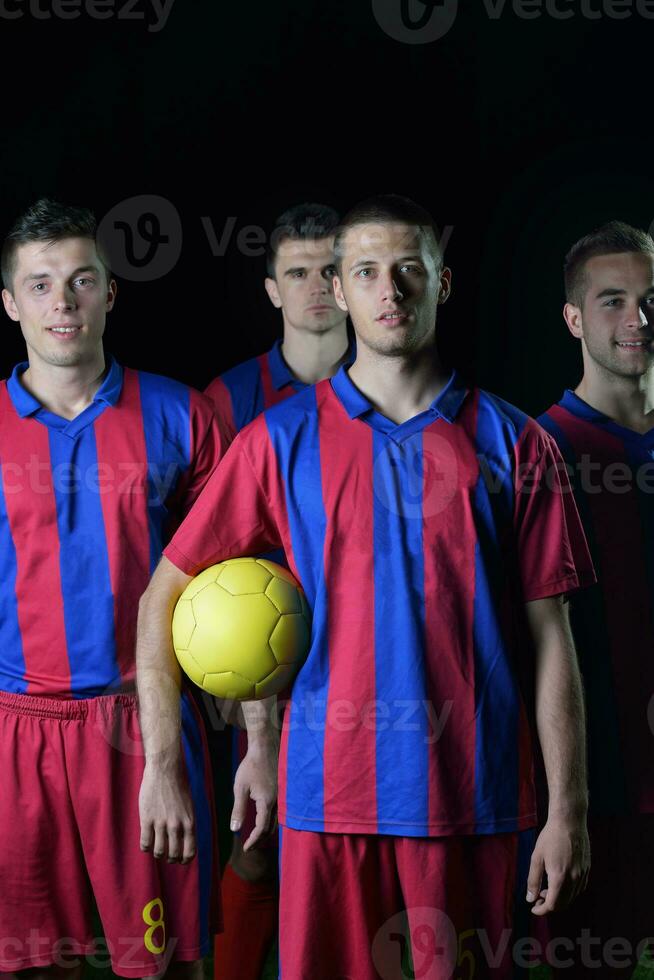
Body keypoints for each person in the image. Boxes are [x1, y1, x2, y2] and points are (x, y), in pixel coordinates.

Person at [137, 194, 596, 980]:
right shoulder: (276, 442)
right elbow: (161, 599)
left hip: (471, 803)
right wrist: (166, 763)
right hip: (325, 802)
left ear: (443, 283)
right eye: (366, 272)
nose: (391, 291)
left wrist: (569, 812)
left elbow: (554, 639)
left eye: (409, 270)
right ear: (339, 291)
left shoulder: (514, 441)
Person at [0, 198, 229, 980]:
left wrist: (253, 741)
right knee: (31, 964)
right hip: (14, 728)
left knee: (166, 964)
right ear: (10, 303)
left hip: (142, 726)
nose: (62, 302)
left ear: (111, 292)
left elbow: (239, 586)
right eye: (39, 285)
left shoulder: (181, 415)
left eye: (81, 281)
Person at [204, 202, 351, 980]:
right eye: (299, 273)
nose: (318, 287)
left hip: (364, 663)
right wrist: (217, 677)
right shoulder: (228, 401)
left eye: (333, 269)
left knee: (353, 852)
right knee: (257, 846)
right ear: (272, 290)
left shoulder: (397, 385)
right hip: (262, 668)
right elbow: (194, 555)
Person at [537, 221, 654, 977]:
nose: (638, 320)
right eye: (614, 301)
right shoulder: (537, 449)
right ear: (575, 319)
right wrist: (562, 808)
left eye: (650, 300)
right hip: (602, 798)